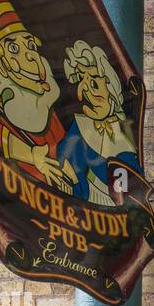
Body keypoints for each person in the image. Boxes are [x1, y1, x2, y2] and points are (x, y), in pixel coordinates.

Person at [0, 0, 74, 191]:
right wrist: (31, 155)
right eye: (14, 49)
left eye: (29, 45)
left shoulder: (42, 103)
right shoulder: (3, 106)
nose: (30, 56)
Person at [57, 40, 141, 208]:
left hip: (117, 223)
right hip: (87, 222)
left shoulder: (127, 136)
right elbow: (68, 174)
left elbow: (133, 198)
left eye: (94, 81)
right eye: (83, 83)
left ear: (110, 84)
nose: (87, 91)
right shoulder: (79, 129)